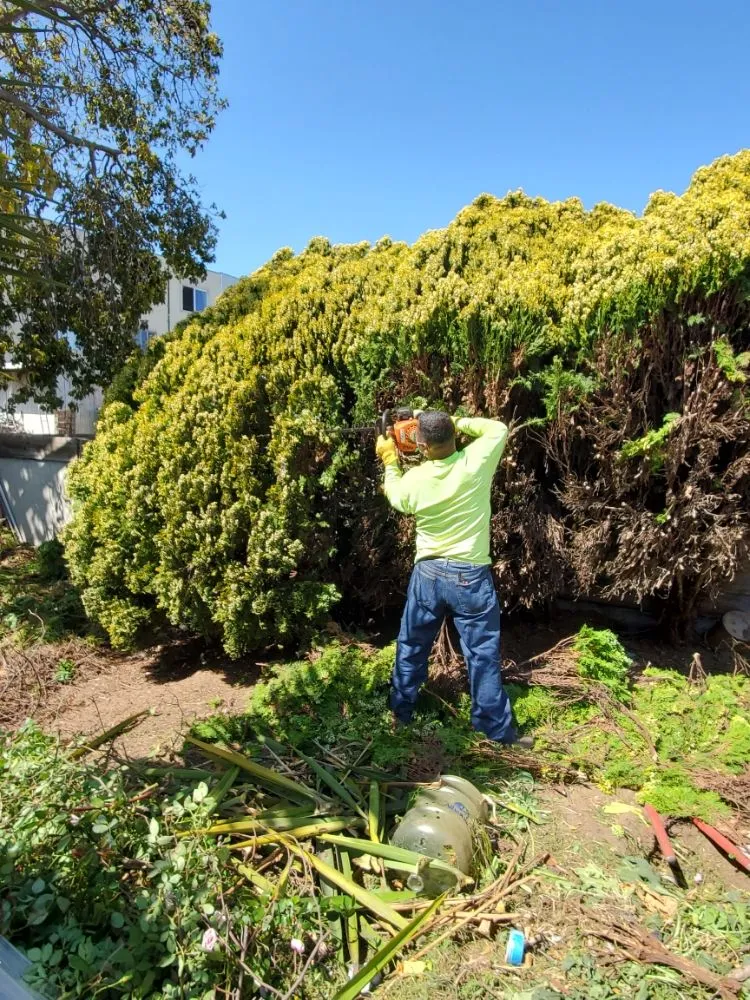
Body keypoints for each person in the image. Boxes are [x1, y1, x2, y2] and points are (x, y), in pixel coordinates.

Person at [375, 410, 527, 746]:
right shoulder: (476, 461)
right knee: (482, 655)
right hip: (470, 577)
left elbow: (395, 495)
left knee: (412, 645)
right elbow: (497, 428)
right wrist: (450, 420)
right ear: (454, 436)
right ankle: (495, 732)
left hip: (428, 575)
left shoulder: (415, 479)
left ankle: (399, 716)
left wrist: (389, 458)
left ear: (422, 446)